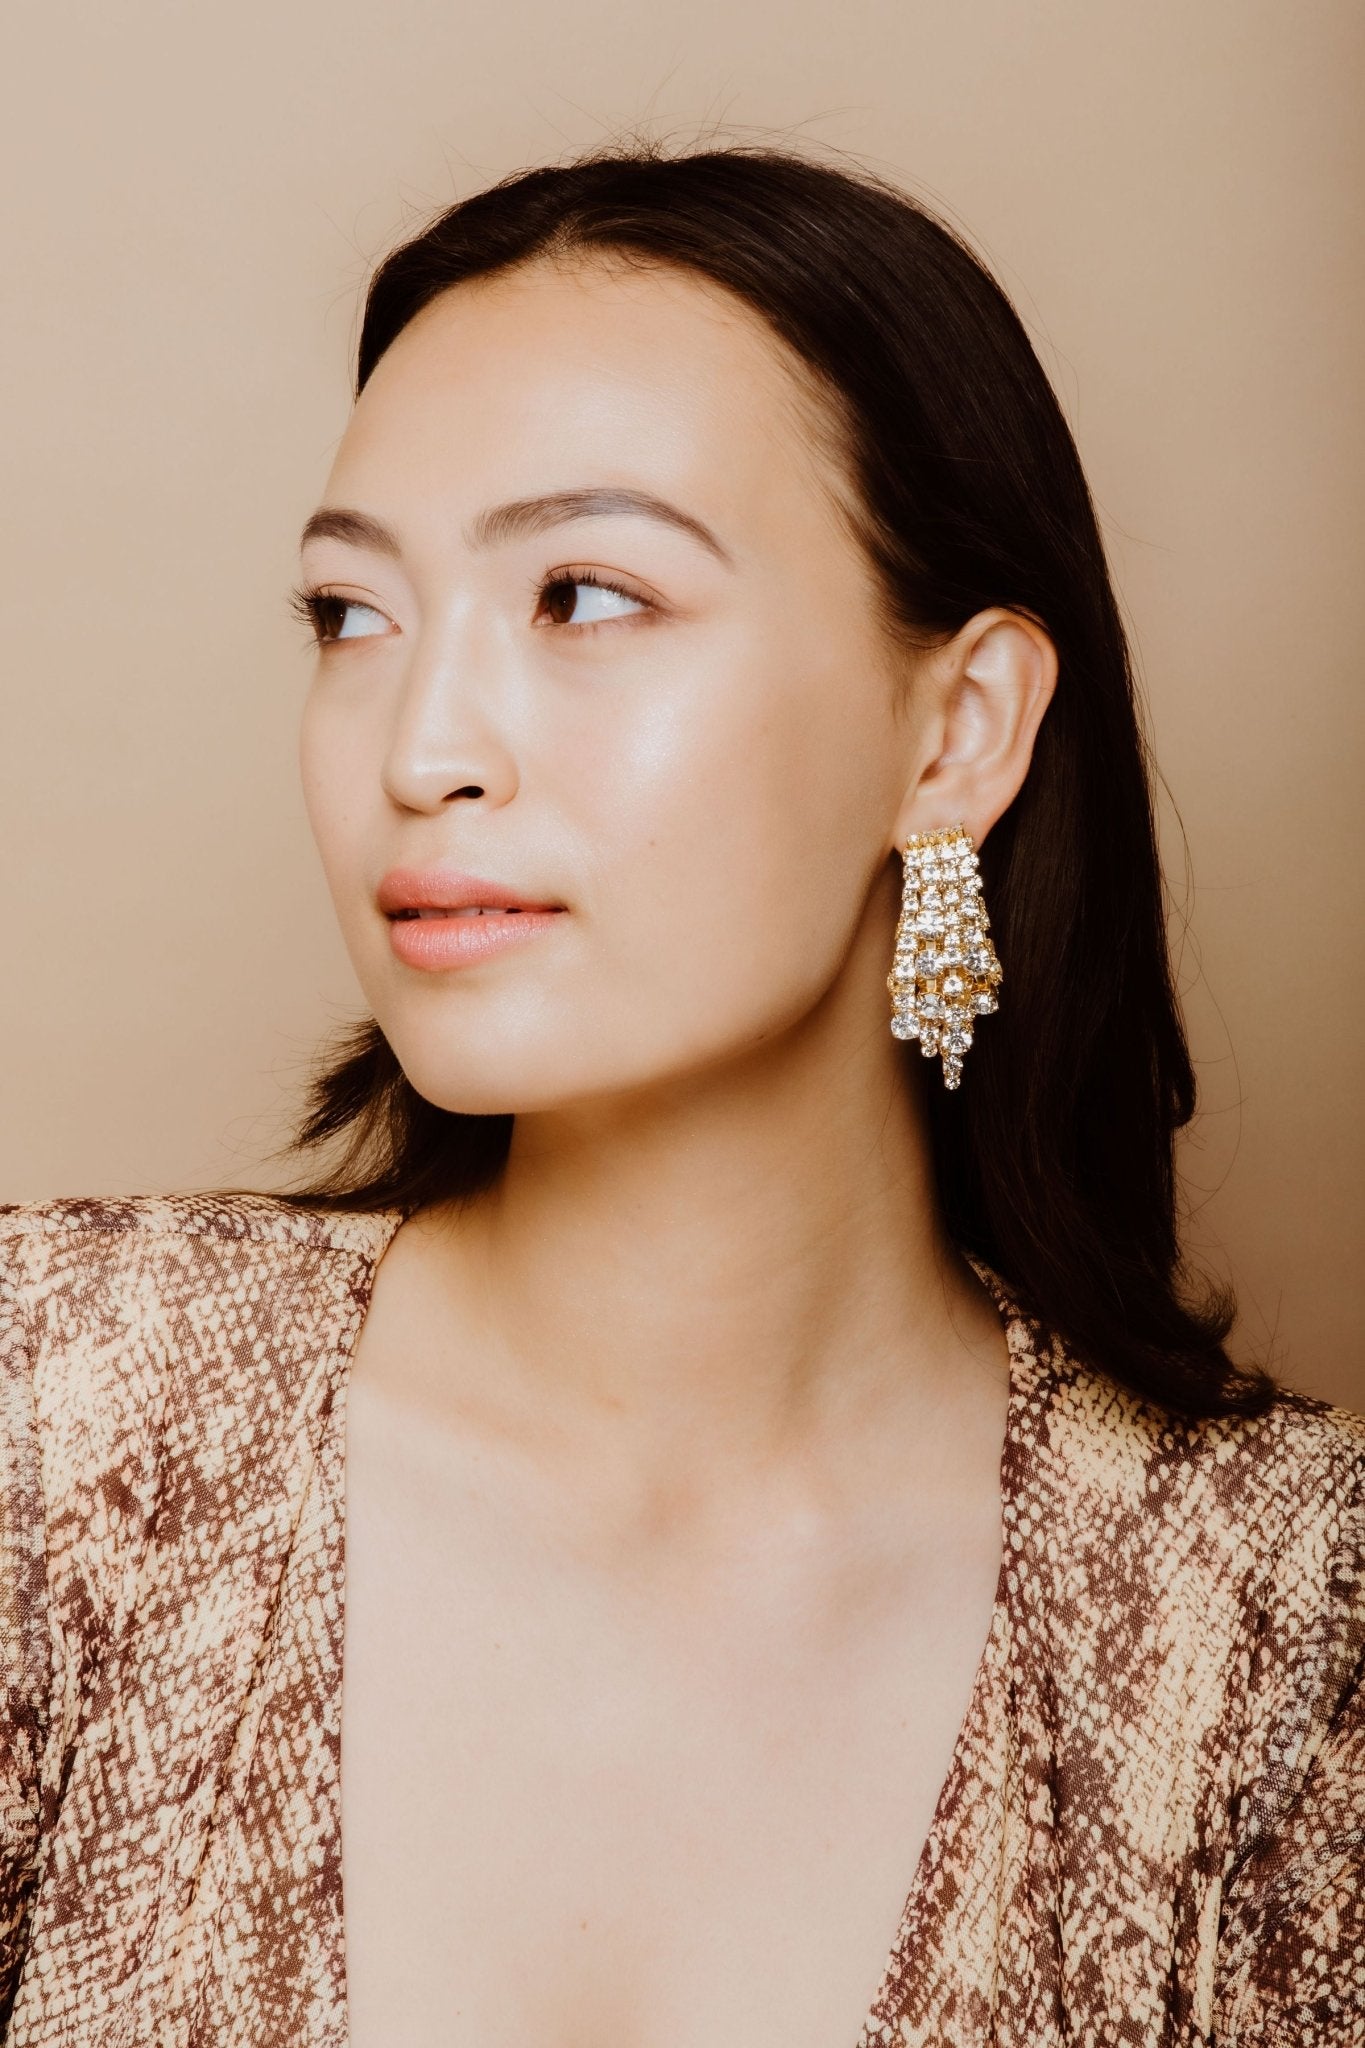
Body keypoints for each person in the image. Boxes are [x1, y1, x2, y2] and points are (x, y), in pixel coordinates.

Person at [1, 139, 1361, 2048]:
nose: (420, 748)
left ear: (955, 732)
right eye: (351, 614)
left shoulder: (1280, 1612)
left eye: (582, 594)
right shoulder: (60, 1428)